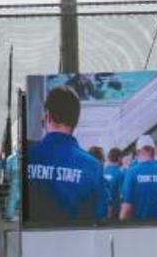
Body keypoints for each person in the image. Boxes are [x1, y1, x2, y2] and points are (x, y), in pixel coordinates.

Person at [24, 85, 108, 222]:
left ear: (47, 116)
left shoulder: (28, 156)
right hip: (76, 242)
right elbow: (99, 218)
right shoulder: (93, 167)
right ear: (75, 121)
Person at [120, 135, 157, 221]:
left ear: (138, 151)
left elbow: (126, 208)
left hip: (138, 227)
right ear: (153, 151)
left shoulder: (131, 172)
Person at [102, 148, 125, 220]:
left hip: (103, 211)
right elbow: (123, 195)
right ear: (119, 158)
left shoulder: (103, 171)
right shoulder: (121, 174)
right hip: (115, 212)